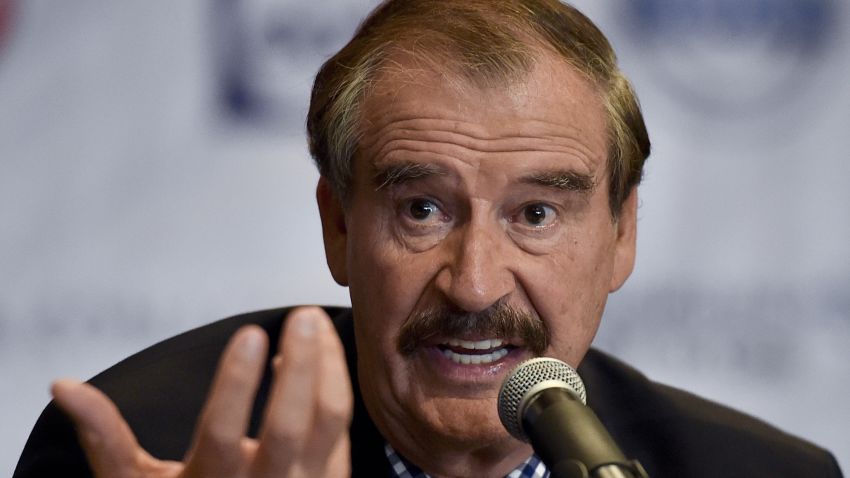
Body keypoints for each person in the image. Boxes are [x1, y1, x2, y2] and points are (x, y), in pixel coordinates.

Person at [15, 1, 843, 477]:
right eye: (421, 210)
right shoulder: (143, 454)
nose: (475, 285)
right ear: (339, 226)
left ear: (622, 235)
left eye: (537, 214)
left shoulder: (761, 477)